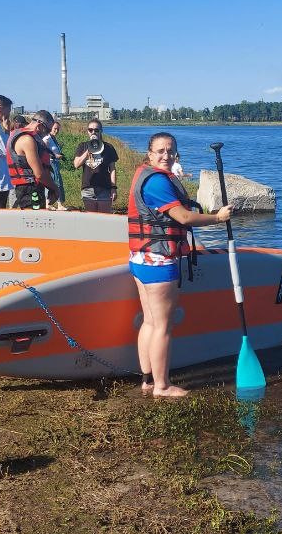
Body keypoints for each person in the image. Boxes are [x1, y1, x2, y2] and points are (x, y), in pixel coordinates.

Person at [128, 132, 232, 398]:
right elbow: (184, 217)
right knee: (162, 326)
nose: (166, 155)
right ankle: (162, 386)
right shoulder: (156, 182)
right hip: (158, 261)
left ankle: (147, 380)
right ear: (150, 154)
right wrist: (218, 218)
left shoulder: (146, 174)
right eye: (160, 151)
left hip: (141, 258)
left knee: (150, 321)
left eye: (170, 150)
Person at [6, 110, 56, 210]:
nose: (47, 134)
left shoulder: (21, 135)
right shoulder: (27, 140)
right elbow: (39, 174)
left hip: (28, 189)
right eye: (47, 130)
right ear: (39, 125)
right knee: (34, 219)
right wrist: (55, 189)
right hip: (29, 190)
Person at [73, 120, 118, 213]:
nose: (93, 132)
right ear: (87, 131)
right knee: (91, 218)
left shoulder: (109, 147)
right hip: (88, 188)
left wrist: (113, 188)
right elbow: (76, 164)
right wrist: (87, 151)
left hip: (105, 189)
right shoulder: (82, 146)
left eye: (96, 130)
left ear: (101, 131)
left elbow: (112, 169)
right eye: (90, 130)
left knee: (105, 218)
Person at [43, 118, 67, 209]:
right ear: (50, 128)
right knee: (57, 183)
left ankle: (49, 203)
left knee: (53, 183)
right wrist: (55, 155)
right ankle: (59, 204)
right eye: (55, 129)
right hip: (51, 163)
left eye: (58, 129)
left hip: (55, 163)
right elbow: (44, 150)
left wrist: (60, 155)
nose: (56, 131)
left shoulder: (53, 138)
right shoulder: (47, 138)